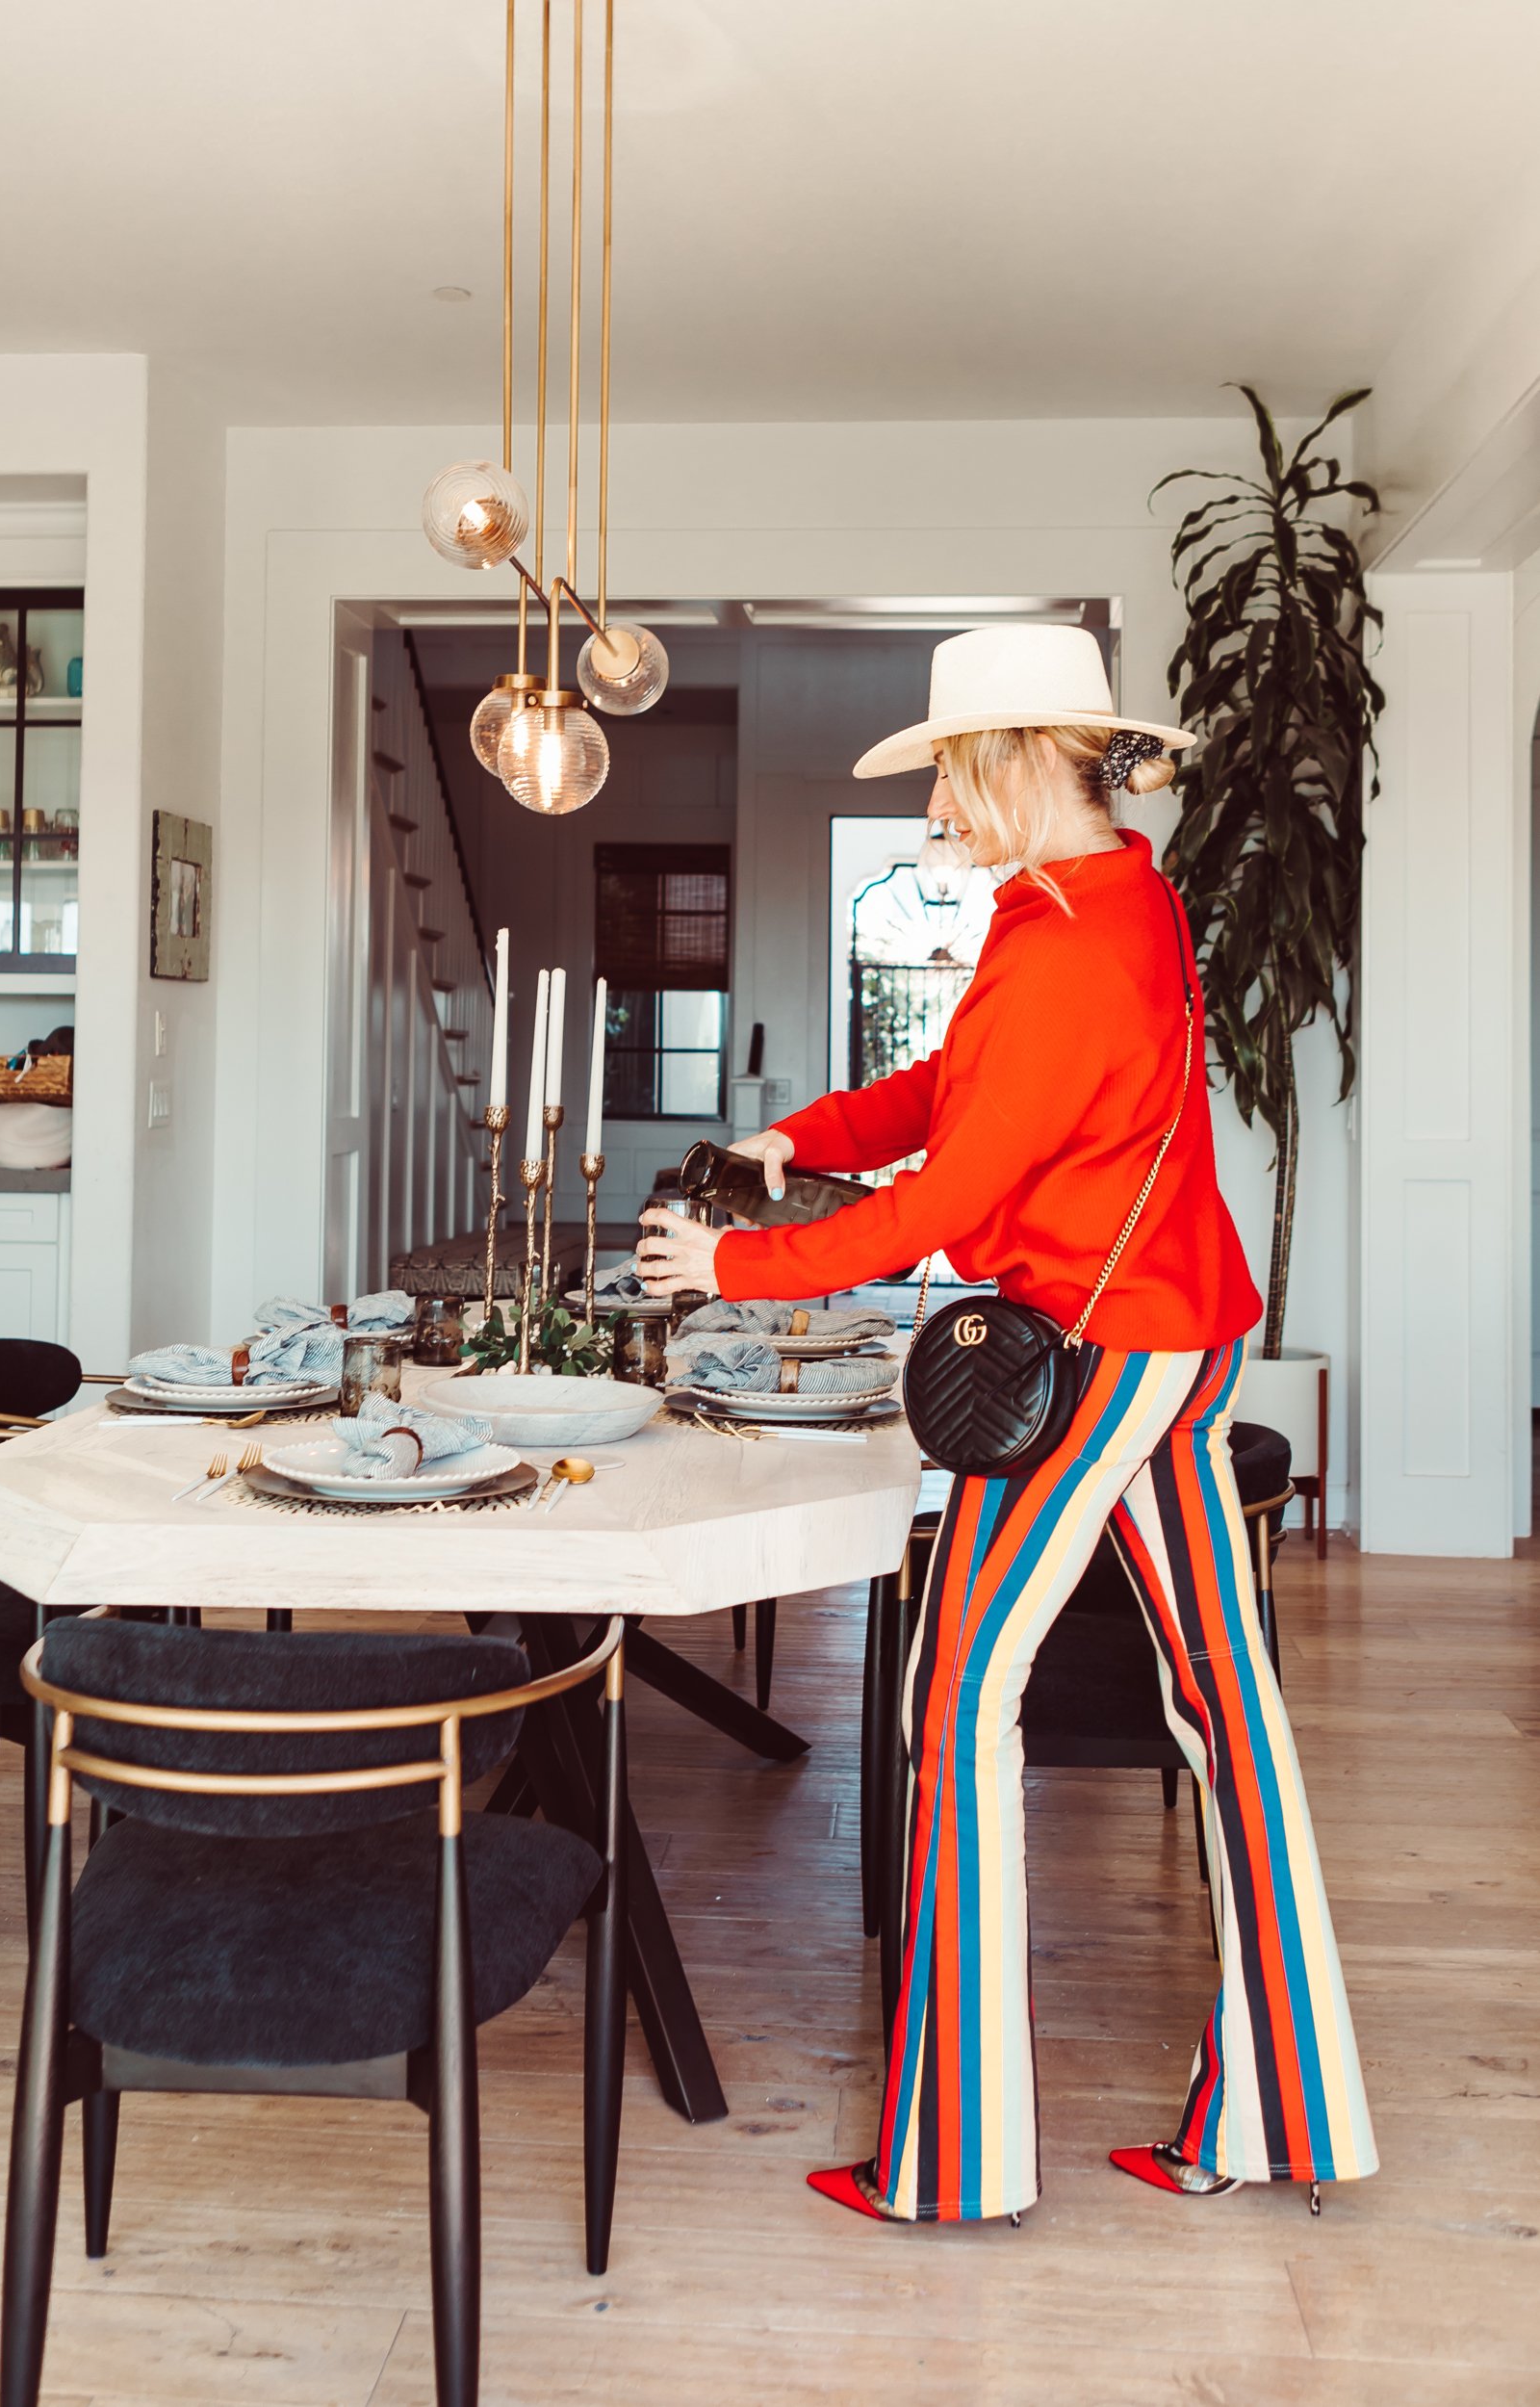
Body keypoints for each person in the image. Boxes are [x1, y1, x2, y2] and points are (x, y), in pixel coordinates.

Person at [637, 624, 1376, 2224]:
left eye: (955, 779)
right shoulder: (1113, 901)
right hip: (1179, 1335)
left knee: (956, 1692)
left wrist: (735, 1264)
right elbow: (956, 1095)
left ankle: (956, 2155)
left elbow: (947, 1199)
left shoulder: (1058, 943)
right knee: (1223, 1701)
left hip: (1089, 1359)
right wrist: (797, 1136)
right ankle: (1284, 2111)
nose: (941, 814)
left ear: (1028, 757)